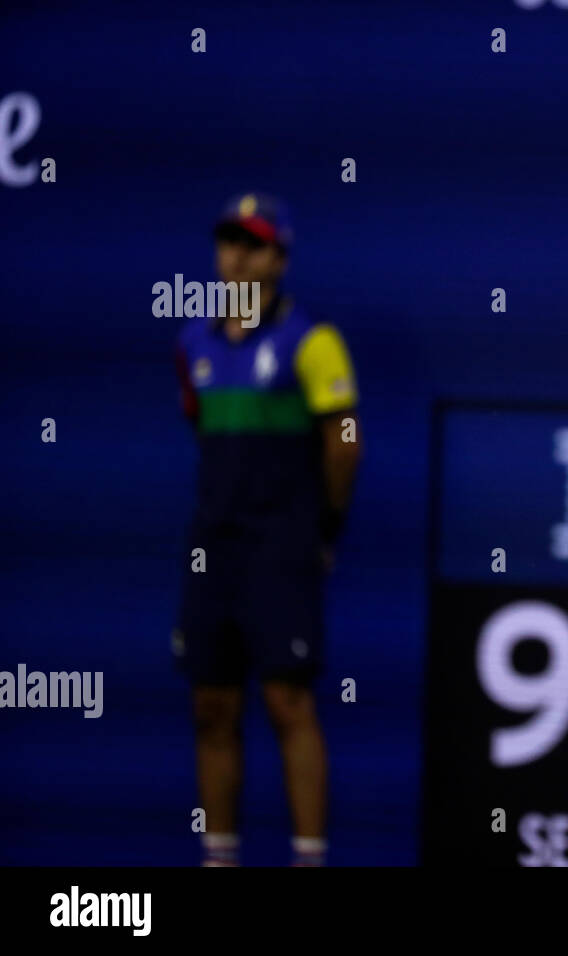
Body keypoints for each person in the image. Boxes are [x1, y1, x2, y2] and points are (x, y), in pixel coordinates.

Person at [172, 193, 361, 866]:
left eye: (252, 245)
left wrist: (321, 525)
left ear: (278, 258)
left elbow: (344, 442)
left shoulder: (313, 343)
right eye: (229, 242)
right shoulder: (192, 342)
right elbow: (204, 428)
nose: (237, 257)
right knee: (212, 708)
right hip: (212, 550)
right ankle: (219, 857)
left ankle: (309, 857)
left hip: (282, 548)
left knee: (288, 703)